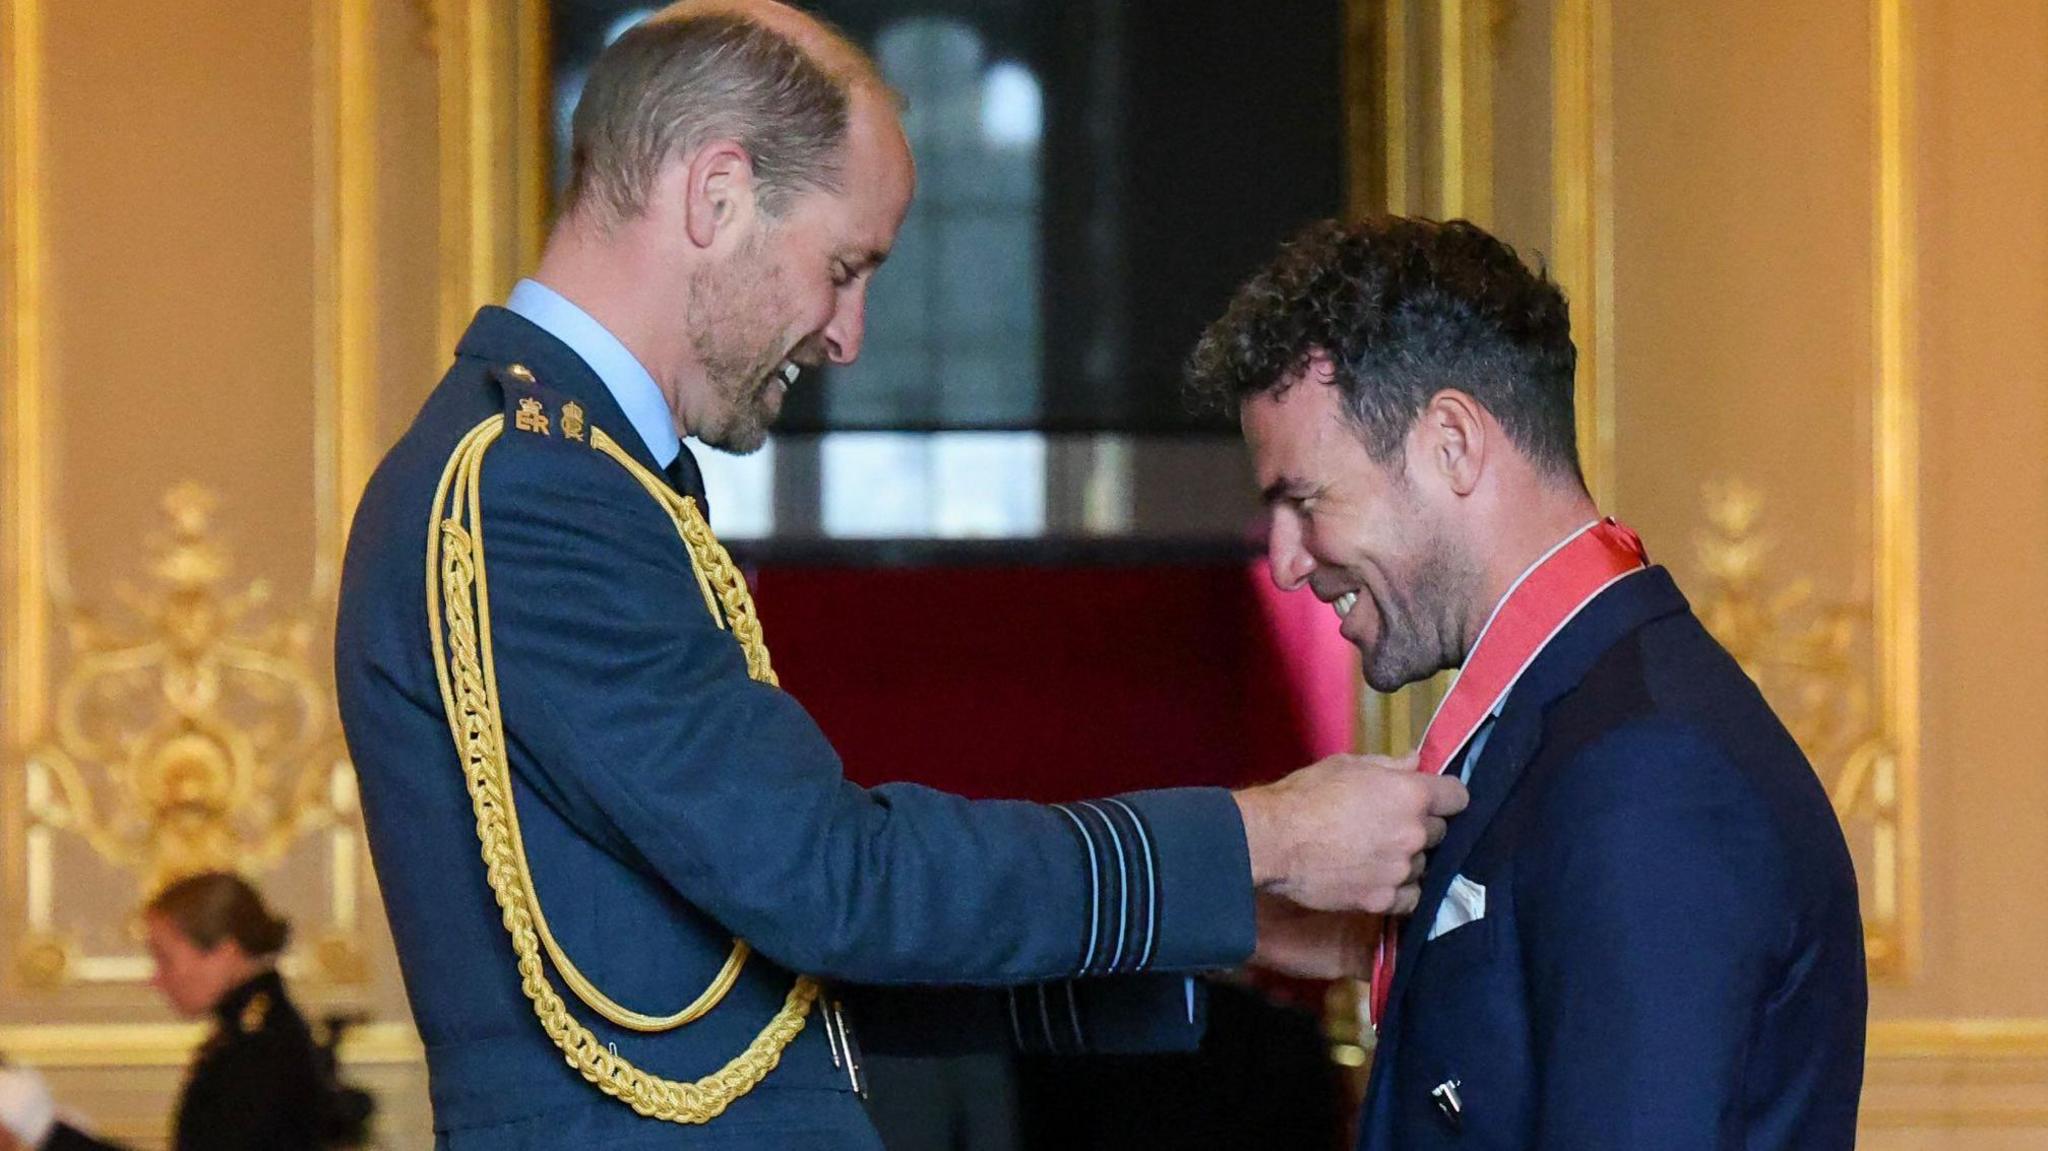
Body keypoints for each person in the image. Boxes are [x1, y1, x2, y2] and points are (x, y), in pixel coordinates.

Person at [332, 3, 1466, 1147]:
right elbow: (831, 883)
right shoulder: (535, 485)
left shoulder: (571, 470)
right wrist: (1252, 834)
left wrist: (1217, 915)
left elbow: (767, 976)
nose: (849, 334)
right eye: (842, 267)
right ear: (713, 196)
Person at [1188, 215, 1868, 1149]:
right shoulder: (1575, 714)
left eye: (1306, 502)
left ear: (1454, 445)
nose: (1285, 562)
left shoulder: (1651, 770)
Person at [0, 872, 349, 1151]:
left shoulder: (262, 1048)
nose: (156, 978)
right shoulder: (252, 1030)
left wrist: (47, 1129)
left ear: (225, 954)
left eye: (165, 958)